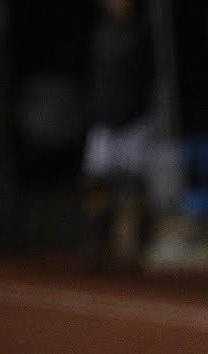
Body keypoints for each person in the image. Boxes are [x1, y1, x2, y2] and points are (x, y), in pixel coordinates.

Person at [79, 0, 155, 271]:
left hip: (134, 120)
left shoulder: (141, 35)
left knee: (136, 184)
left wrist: (139, 110)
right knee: (95, 182)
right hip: (105, 121)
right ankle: (98, 244)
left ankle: (138, 247)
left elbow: (149, 78)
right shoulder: (99, 35)